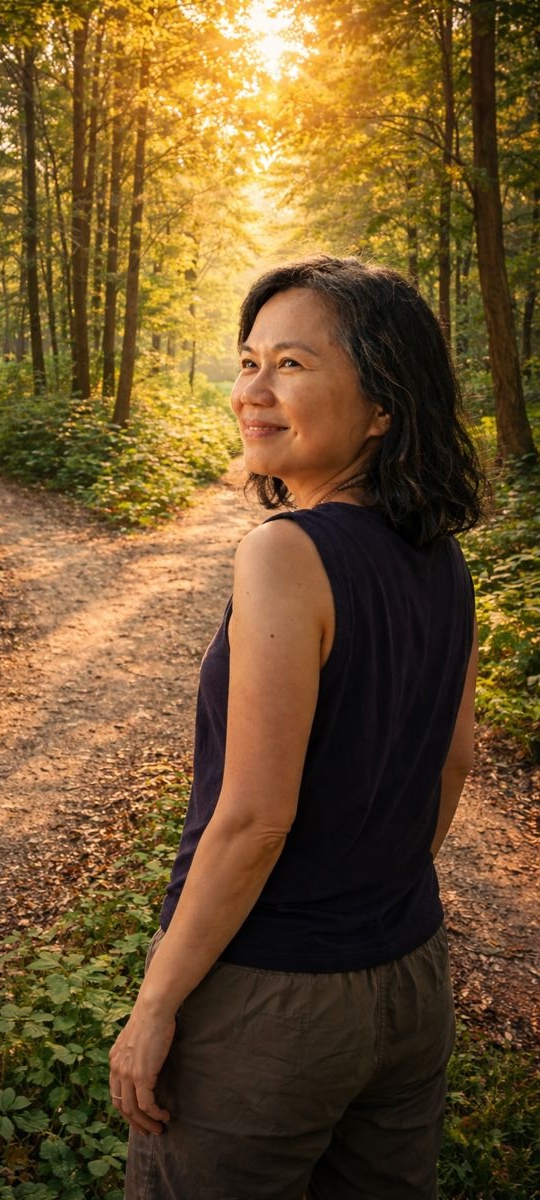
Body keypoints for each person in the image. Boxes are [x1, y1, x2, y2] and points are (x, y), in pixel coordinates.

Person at [108, 255, 486, 1200]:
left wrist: (155, 1004)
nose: (253, 391)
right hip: (408, 979)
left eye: (293, 365)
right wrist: (374, 895)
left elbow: (254, 820)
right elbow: (453, 760)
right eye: (248, 362)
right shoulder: (440, 557)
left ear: (384, 405)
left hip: (273, 1002)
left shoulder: (285, 553)